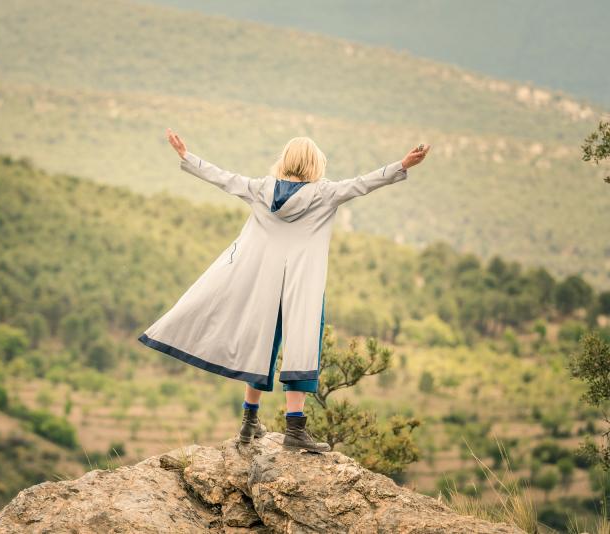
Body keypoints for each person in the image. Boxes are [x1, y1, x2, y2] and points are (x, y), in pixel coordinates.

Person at [138, 129, 430, 453]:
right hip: (302, 287)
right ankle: (294, 429)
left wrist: (186, 156)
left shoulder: (260, 189)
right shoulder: (325, 194)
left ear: (285, 161)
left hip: (264, 286)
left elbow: (222, 177)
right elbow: (364, 182)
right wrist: (402, 163)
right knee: (302, 347)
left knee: (260, 348)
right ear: (315, 164)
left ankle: (249, 423)